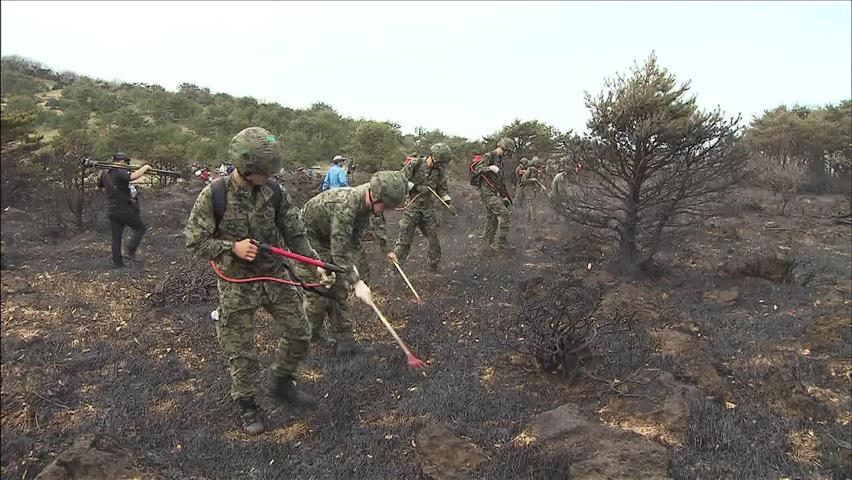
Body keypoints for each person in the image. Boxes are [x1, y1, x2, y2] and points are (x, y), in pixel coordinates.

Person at [185, 127, 331, 435]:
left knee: (300, 332)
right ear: (245, 167)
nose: (268, 177)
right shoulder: (215, 194)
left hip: (274, 276)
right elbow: (195, 242)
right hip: (236, 283)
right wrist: (231, 247)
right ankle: (247, 402)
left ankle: (281, 381)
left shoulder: (274, 192)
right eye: (263, 172)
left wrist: (316, 264)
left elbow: (294, 233)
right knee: (241, 350)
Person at [300, 171, 409, 355]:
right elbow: (339, 250)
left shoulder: (365, 207)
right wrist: (356, 281)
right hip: (309, 237)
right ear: (375, 197)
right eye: (386, 206)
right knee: (320, 290)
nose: (386, 210)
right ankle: (308, 336)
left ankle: (346, 343)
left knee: (339, 289)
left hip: (330, 236)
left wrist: (352, 271)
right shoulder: (346, 206)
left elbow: (353, 241)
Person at [387, 143, 456, 272]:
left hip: (428, 210)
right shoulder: (415, 164)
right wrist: (416, 188)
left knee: (433, 238)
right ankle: (395, 270)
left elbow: (442, 189)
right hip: (412, 208)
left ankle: (433, 267)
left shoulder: (439, 171)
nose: (441, 166)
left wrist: (448, 202)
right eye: (440, 163)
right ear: (434, 157)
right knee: (404, 241)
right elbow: (400, 179)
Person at [97, 152, 152, 268]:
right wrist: (145, 167)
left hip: (112, 210)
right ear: (122, 162)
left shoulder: (105, 173)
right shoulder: (120, 171)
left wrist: (113, 194)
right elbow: (132, 177)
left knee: (116, 237)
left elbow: (101, 187)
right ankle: (130, 251)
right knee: (140, 228)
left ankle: (117, 262)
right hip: (124, 209)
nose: (127, 166)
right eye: (126, 163)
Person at [472, 137, 516, 251]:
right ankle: (501, 242)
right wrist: (490, 168)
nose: (508, 155)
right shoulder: (489, 156)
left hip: (493, 192)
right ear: (503, 148)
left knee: (492, 219)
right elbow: (477, 169)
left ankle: (485, 244)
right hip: (486, 192)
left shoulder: (499, 161)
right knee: (503, 213)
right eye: (508, 152)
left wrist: (505, 197)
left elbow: (499, 183)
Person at [517, 157, 544, 222]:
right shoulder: (530, 170)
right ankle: (533, 217)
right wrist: (531, 180)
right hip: (527, 188)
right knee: (531, 203)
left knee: (529, 203)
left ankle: (528, 217)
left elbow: (536, 180)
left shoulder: (534, 170)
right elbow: (523, 180)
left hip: (531, 188)